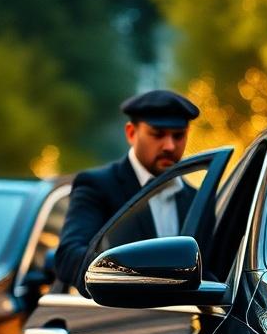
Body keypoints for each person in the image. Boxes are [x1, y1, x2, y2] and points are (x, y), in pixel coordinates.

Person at [54, 89, 199, 287]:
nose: (169, 146)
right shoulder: (97, 186)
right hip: (119, 316)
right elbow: (70, 258)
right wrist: (128, 278)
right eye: (158, 134)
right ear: (131, 133)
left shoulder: (197, 199)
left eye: (178, 136)